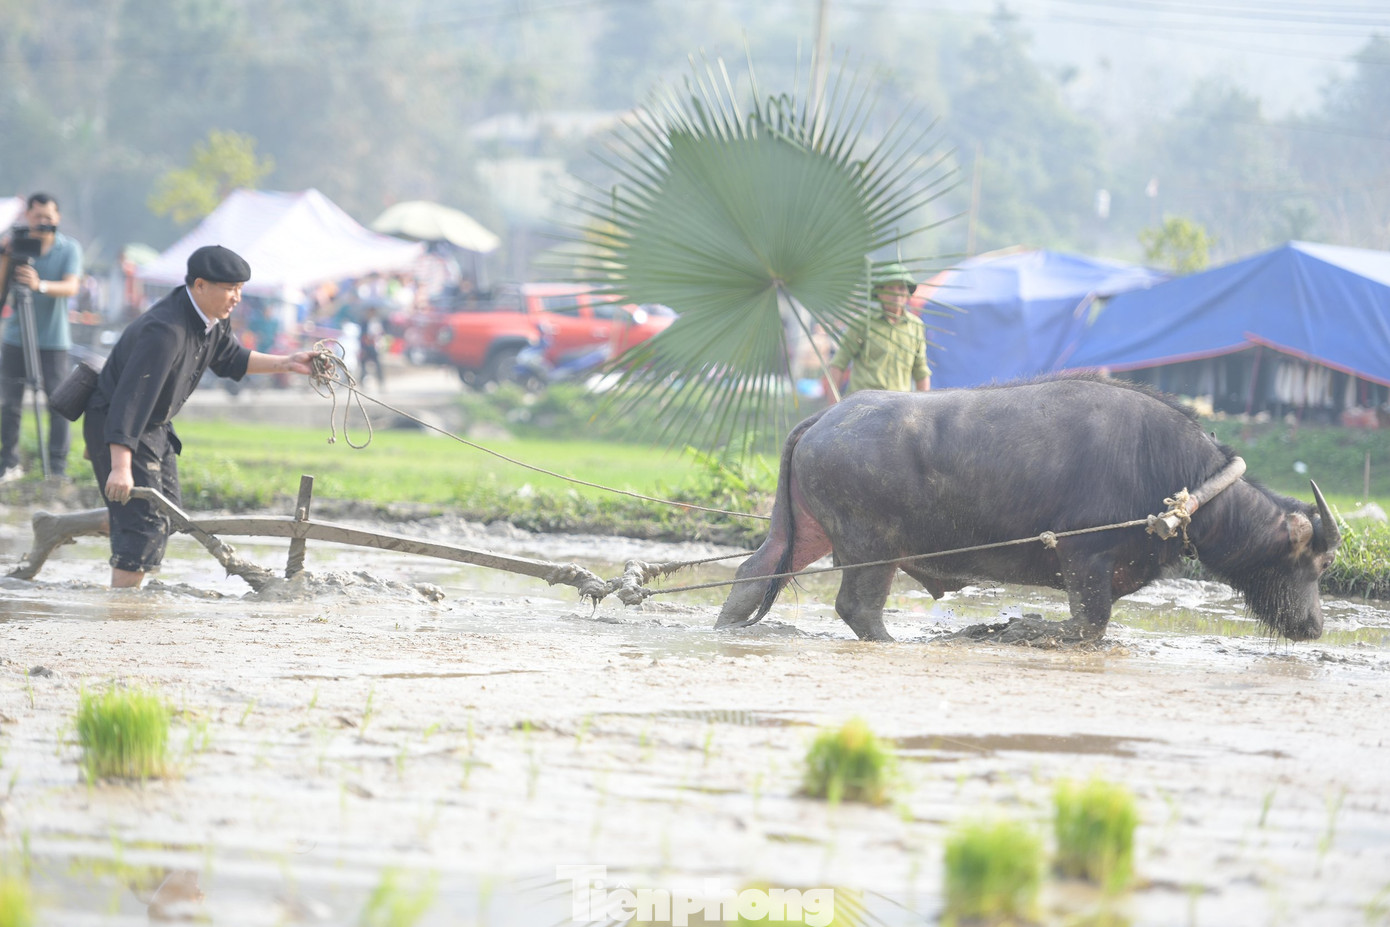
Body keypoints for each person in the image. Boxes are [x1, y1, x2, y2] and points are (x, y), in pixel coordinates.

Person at [85, 244, 317, 588]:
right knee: (143, 526)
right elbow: (129, 402)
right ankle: (123, 616)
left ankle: (61, 527)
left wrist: (287, 362)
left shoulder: (210, 321)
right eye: (228, 289)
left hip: (153, 426)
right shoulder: (166, 330)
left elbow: (232, 358)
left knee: (166, 515)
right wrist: (119, 467)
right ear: (200, 285)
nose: (236, 297)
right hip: (122, 425)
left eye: (239, 289)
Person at [0, 193, 84, 480]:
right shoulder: (16, 245)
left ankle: (57, 469)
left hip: (53, 340)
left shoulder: (69, 249)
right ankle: (8, 463)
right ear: (28, 218)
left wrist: (40, 285)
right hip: (16, 338)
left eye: (48, 217)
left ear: (57, 217)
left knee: (59, 403)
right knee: (9, 403)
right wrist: (5, 255)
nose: (43, 222)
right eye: (37, 217)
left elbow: (72, 287)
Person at [823, 263, 930, 402]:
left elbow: (921, 372)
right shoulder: (862, 323)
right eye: (890, 288)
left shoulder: (915, 326)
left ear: (908, 293)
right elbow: (838, 365)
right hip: (862, 406)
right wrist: (833, 408)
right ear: (880, 292)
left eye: (901, 288)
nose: (896, 293)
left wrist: (923, 408)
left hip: (899, 407)